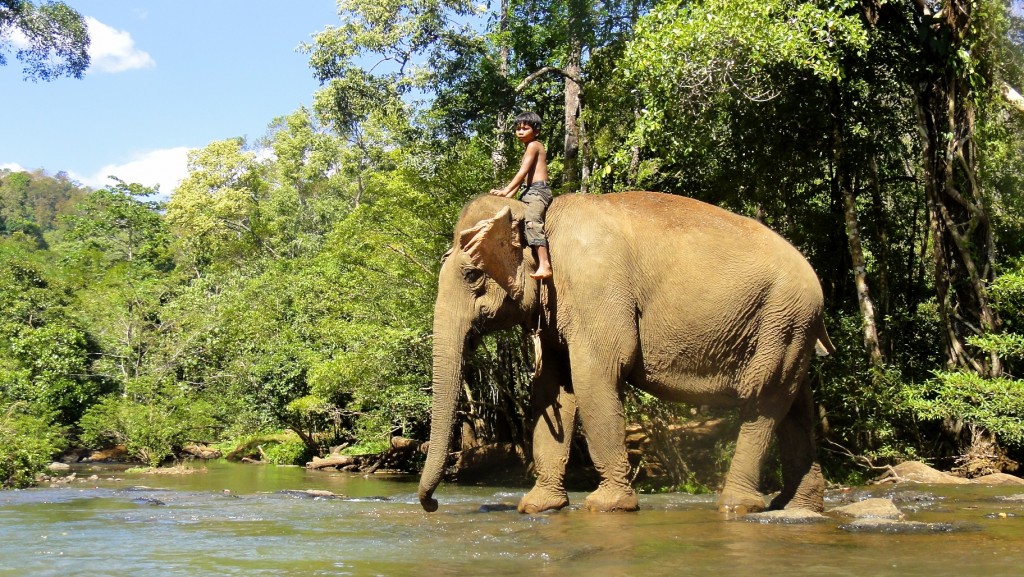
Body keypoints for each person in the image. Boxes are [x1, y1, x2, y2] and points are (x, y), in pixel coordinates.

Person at [490, 111, 553, 280]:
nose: (520, 132)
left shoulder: (534, 145)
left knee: (532, 221)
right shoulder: (527, 148)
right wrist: (507, 196)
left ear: (536, 131)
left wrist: (505, 190)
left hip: (538, 191)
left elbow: (522, 172)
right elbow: (521, 183)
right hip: (527, 191)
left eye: (525, 128)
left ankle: (544, 264)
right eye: (518, 128)